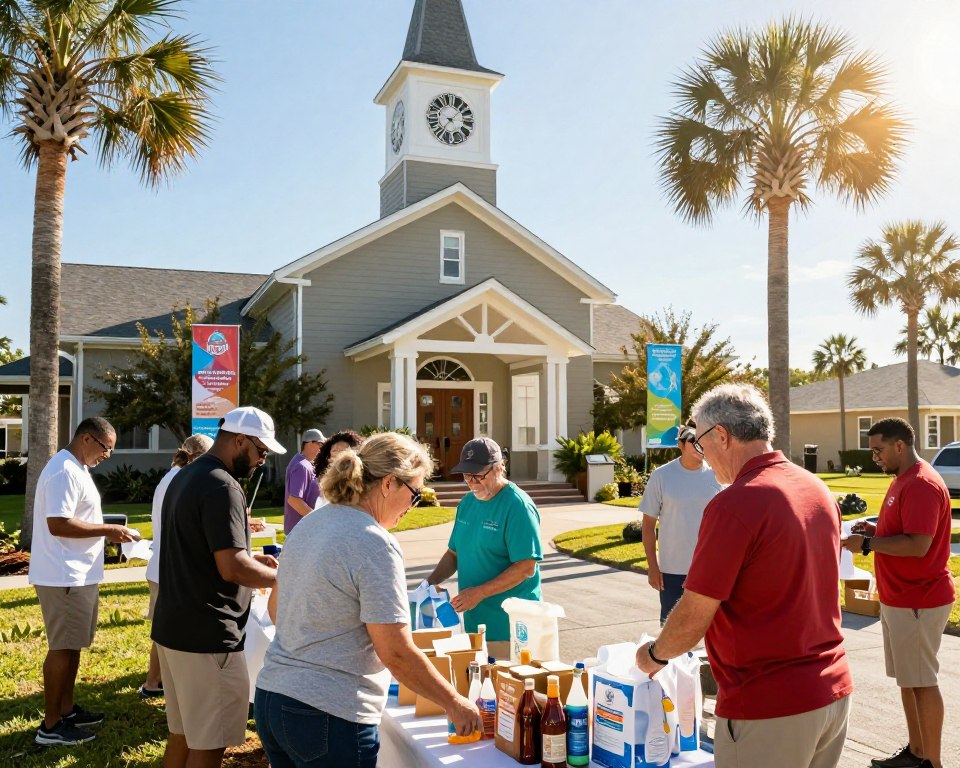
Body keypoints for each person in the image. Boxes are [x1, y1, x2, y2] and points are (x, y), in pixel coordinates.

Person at [636, 384, 852, 768]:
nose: (702, 456)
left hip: (769, 703)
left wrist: (654, 655)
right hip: (831, 691)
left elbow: (695, 613)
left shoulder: (735, 503)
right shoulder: (816, 489)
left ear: (721, 435)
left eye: (701, 444)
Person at [254, 432, 481, 767]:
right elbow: (395, 651)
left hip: (273, 698)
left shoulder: (311, 523)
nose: (411, 507)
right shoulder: (375, 542)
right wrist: (454, 703)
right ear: (389, 483)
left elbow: (276, 610)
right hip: (329, 713)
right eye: (414, 495)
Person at [152, 406, 286, 768]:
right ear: (239, 441)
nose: (262, 461)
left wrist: (256, 563)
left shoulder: (186, 475)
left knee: (182, 736)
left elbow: (206, 551)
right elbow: (231, 567)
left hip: (174, 625)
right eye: (261, 452)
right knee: (209, 745)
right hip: (208, 634)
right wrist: (287, 576)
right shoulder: (222, 485)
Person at [842, 418, 954, 768]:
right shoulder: (902, 480)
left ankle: (931, 763)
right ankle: (916, 753)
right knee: (909, 680)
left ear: (899, 446)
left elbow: (919, 544)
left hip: (919, 598)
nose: (874, 456)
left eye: (878, 449)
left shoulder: (920, 483)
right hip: (899, 598)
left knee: (923, 682)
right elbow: (906, 528)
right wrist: (875, 528)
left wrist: (868, 543)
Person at [28, 417, 141, 747]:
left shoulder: (77, 468)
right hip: (64, 575)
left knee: (72, 644)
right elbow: (58, 524)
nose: (107, 456)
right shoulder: (64, 470)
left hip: (77, 574)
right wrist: (110, 530)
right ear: (88, 439)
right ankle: (50, 726)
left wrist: (107, 529)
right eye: (107, 449)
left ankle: (66, 710)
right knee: (61, 648)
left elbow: (77, 518)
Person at [426, 437, 542, 659]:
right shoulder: (467, 503)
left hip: (511, 630)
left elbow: (526, 567)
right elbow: (454, 553)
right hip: (474, 625)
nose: (472, 482)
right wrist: (429, 583)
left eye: (478, 475)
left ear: (500, 467)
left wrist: (479, 593)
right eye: (466, 475)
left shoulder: (518, 507)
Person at [139, 433, 213, 699]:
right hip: (172, 569)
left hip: (161, 566)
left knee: (163, 631)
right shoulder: (186, 479)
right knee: (169, 634)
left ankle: (154, 683)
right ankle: (157, 683)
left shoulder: (170, 477)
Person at [639, 423, 721, 624]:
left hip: (709, 569)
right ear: (681, 444)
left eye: (703, 440)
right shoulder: (662, 476)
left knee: (713, 629)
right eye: (694, 441)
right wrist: (652, 567)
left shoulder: (718, 475)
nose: (700, 445)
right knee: (672, 629)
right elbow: (648, 526)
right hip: (673, 571)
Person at [283, 428, 324, 533]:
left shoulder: (303, 462)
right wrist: (318, 519)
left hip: (302, 530)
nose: (322, 448)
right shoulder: (302, 466)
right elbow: (294, 500)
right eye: (320, 444)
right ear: (309, 443)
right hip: (301, 532)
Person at [312, 429, 364, 509]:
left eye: (342, 451)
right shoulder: (324, 486)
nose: (338, 454)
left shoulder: (362, 485)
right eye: (334, 451)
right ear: (328, 458)